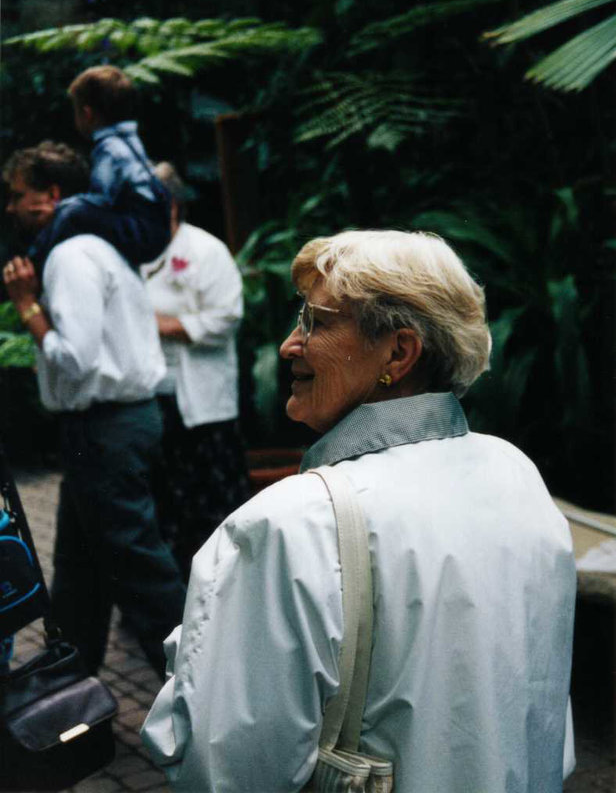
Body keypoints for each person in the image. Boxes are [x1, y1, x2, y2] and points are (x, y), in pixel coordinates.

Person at [142, 229, 577, 792]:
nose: (288, 345)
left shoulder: (290, 523)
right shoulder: (513, 472)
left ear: (398, 352)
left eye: (316, 322)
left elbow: (223, 769)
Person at [2, 141, 186, 679]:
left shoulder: (70, 256)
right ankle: (70, 683)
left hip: (106, 427)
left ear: (51, 195)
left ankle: (199, 688)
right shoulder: (98, 247)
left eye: (19, 196)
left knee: (143, 572)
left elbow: (75, 359)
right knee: (79, 570)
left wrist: (27, 307)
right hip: (107, 427)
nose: (10, 207)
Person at [141, 162, 250, 580]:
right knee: (164, 504)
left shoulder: (205, 250)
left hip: (202, 405)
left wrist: (161, 326)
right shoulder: (134, 251)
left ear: (172, 206)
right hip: (152, 396)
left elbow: (226, 317)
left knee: (212, 509)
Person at [28, 65, 170, 270]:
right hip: (156, 228)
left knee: (72, 211)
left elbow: (102, 200)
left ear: (87, 114)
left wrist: (60, 208)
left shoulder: (109, 148)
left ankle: (35, 263)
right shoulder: (129, 139)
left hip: (140, 231)